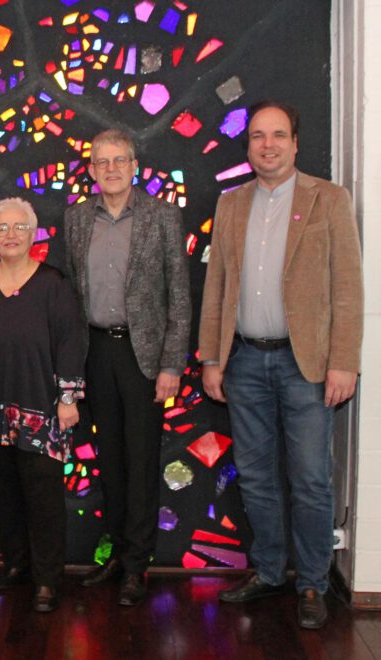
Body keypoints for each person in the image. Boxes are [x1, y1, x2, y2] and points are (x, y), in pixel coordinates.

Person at [199, 101, 362, 630]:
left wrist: (344, 362)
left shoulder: (329, 200)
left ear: (295, 142)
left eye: (278, 135)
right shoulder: (230, 204)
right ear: (247, 146)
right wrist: (212, 358)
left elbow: (348, 290)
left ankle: (312, 583)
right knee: (255, 477)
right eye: (257, 136)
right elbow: (217, 287)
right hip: (244, 360)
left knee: (312, 479)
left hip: (307, 366)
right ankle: (269, 571)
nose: (267, 145)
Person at [63, 129, 191, 606]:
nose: (111, 168)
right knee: (109, 460)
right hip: (95, 352)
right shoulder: (76, 218)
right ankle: (116, 554)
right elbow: (72, 295)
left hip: (144, 357)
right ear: (92, 169)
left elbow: (178, 294)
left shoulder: (161, 216)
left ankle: (138, 564)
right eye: (102, 161)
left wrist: (171, 364)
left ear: (135, 165)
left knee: (139, 460)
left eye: (120, 160)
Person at [0, 197, 84, 613]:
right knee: (2, 492)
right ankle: (16, 565)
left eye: (19, 227)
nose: (10, 235)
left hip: (41, 409)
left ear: (34, 234)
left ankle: (47, 579)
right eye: (2, 228)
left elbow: (72, 342)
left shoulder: (53, 285)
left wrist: (67, 397)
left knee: (43, 496)